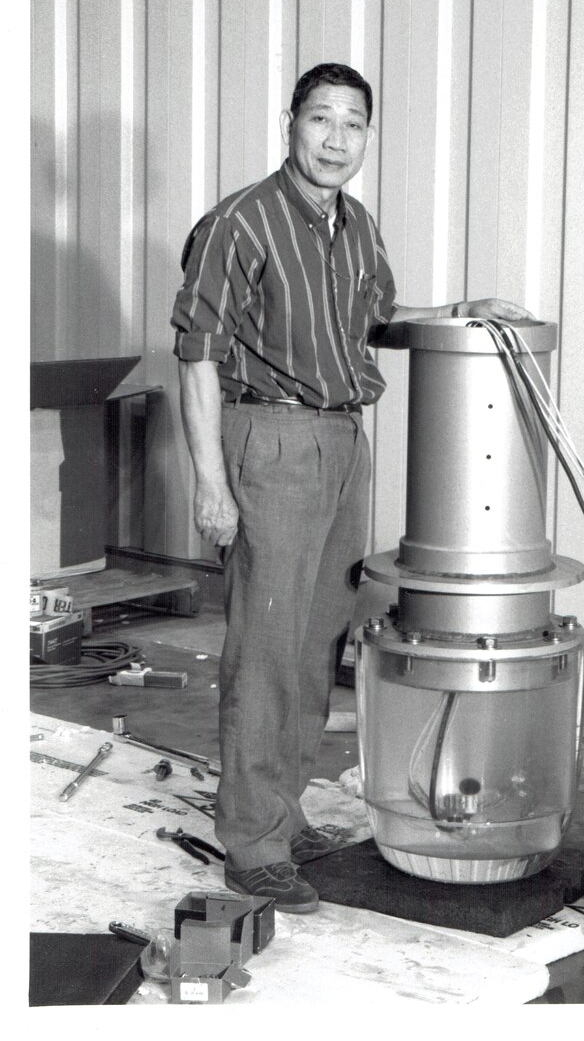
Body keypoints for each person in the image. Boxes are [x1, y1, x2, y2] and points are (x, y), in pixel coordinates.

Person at [171, 62, 534, 913]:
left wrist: (459, 309)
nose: (336, 140)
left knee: (316, 641)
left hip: (344, 442)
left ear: (368, 135)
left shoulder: (357, 226)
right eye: (321, 119)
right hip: (272, 441)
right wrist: (211, 483)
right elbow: (195, 355)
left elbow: (368, 325)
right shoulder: (239, 223)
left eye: (353, 124)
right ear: (290, 122)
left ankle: (283, 814)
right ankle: (253, 843)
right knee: (266, 646)